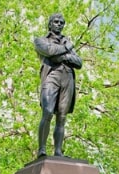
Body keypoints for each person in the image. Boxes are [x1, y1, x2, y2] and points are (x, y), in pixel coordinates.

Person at [34, 13, 83, 158]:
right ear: (50, 24)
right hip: (52, 76)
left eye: (62, 22)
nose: (59, 24)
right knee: (48, 112)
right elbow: (49, 52)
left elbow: (78, 62)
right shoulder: (40, 40)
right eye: (56, 22)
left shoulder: (67, 43)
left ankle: (58, 151)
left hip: (67, 78)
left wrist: (64, 55)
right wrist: (67, 49)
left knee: (62, 117)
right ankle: (42, 149)